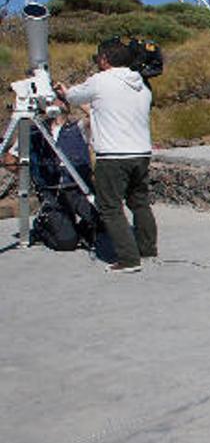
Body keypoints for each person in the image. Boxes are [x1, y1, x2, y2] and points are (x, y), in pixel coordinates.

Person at [57, 38, 156, 273]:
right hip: (141, 153)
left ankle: (128, 259)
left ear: (104, 59)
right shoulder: (141, 84)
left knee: (110, 207)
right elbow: (111, 110)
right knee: (139, 202)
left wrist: (64, 91)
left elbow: (73, 96)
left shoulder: (101, 81)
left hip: (113, 155)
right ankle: (147, 248)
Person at [2, 97, 98, 250]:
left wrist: (71, 96)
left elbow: (97, 115)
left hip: (78, 189)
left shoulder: (78, 127)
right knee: (66, 242)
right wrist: (30, 174)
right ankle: (43, 227)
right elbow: (9, 159)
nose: (56, 102)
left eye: (59, 100)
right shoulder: (34, 132)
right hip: (52, 193)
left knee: (106, 221)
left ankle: (78, 229)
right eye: (52, 100)